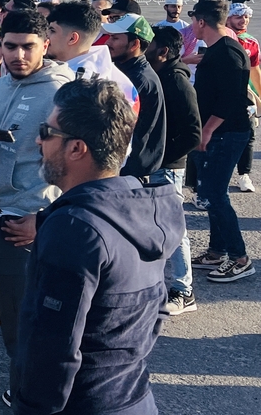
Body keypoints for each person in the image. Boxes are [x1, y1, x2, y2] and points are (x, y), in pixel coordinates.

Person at [15, 78, 183, 415]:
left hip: (82, 404)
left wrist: (32, 406)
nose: (38, 140)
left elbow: (53, 345)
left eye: (47, 132)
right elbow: (157, 308)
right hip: (133, 396)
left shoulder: (74, 227)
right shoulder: (149, 208)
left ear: (77, 149)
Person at [0, 10, 74, 406]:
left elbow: (85, 166)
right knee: (15, 310)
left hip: (38, 217)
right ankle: (28, 384)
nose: (18, 55)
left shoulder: (64, 92)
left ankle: (35, 393)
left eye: (28, 47)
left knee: (43, 313)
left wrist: (44, 221)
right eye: (10, 46)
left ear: (46, 45)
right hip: (0, 211)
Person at [187, 0, 255, 282]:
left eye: (194, 20)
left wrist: (207, 130)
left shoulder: (228, 51)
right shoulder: (217, 49)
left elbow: (231, 100)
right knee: (211, 194)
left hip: (228, 133)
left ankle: (240, 258)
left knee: (215, 195)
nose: (192, 25)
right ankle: (216, 252)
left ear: (201, 22)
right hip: (217, 132)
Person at [145, 26, 201, 315]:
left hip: (166, 169)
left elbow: (193, 133)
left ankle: (184, 291)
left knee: (174, 230)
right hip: (149, 166)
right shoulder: (156, 75)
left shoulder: (177, 81)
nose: (144, 47)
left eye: (149, 44)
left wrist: (160, 158)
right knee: (151, 229)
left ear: (163, 52)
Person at [101, 14, 166, 179]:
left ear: (134, 44)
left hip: (129, 170)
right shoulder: (127, 71)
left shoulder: (137, 79)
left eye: (115, 38)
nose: (108, 42)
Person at [45, 1, 137, 107]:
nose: (46, 36)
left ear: (72, 38)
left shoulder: (75, 84)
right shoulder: (105, 68)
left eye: (52, 30)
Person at [224, 2, 260, 193]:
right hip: (223, 93)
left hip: (245, 96)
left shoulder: (251, 42)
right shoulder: (221, 39)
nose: (243, 20)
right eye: (238, 16)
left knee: (249, 135)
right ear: (228, 18)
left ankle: (244, 174)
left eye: (246, 17)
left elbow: (255, 69)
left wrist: (260, 96)